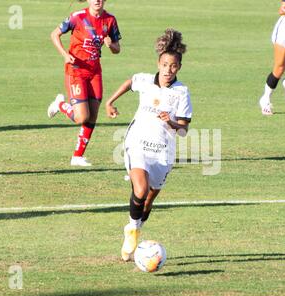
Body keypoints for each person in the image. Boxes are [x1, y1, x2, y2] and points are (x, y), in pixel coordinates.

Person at [105, 29, 192, 261]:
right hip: (138, 144)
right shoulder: (145, 80)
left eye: (173, 66)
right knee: (140, 190)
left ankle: (134, 226)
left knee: (148, 201)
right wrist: (110, 102)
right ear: (159, 63)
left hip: (163, 152)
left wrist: (171, 122)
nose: (168, 70)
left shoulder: (182, 92)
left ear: (179, 68)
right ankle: (132, 230)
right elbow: (129, 82)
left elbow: (184, 129)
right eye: (164, 65)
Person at [47, 0, 121, 166]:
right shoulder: (77, 17)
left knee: (93, 115)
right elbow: (54, 34)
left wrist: (111, 45)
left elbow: (117, 49)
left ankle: (77, 157)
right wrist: (65, 54)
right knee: (81, 117)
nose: (97, 0)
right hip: (75, 71)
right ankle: (60, 105)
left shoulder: (110, 20)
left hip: (95, 73)